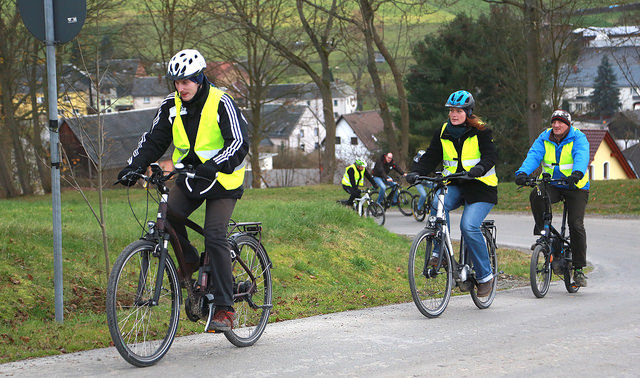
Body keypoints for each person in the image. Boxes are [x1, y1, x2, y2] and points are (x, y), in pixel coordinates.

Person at [117, 49, 249, 332]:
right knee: (169, 216)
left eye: (187, 81)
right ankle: (189, 260)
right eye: (176, 82)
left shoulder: (221, 102)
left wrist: (215, 165)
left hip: (223, 180)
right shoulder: (171, 106)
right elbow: (153, 140)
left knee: (214, 234)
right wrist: (133, 167)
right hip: (190, 178)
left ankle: (225, 308)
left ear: (200, 78)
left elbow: (238, 143)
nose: (181, 87)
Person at [406, 90, 498, 296]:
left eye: (458, 111)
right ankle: (440, 253)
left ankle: (485, 276)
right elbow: (431, 156)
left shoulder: (481, 130)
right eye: (451, 111)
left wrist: (479, 169)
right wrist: (416, 173)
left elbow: (491, 156)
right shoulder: (443, 131)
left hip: (481, 185)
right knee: (438, 203)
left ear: (468, 112)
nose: (454, 114)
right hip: (455, 184)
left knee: (468, 226)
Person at [515, 109, 590, 287]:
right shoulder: (544, 137)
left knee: (576, 224)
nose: (556, 125)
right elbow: (534, 155)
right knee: (537, 194)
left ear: (568, 125)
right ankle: (545, 235)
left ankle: (578, 268)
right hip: (552, 184)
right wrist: (523, 172)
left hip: (575, 185)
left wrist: (577, 173)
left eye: (561, 122)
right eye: (554, 122)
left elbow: (581, 155)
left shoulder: (579, 138)